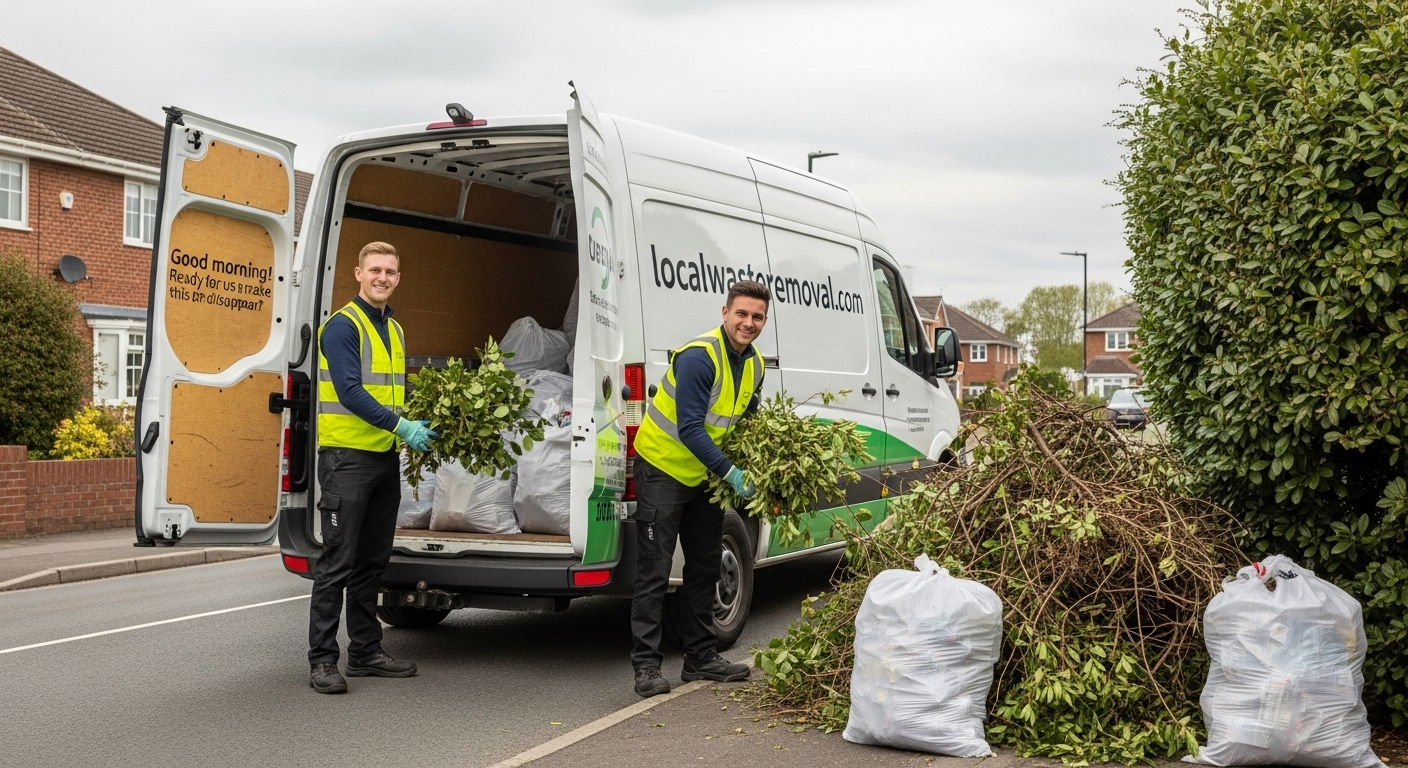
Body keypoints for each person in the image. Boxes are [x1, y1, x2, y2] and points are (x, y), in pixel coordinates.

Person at [629, 279, 771, 698]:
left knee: (705, 566)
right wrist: (731, 472)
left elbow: (747, 423)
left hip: (706, 477)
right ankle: (646, 667)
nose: (748, 323)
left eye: (757, 317)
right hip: (663, 470)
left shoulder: (755, 364)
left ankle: (700, 657)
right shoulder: (699, 358)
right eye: (741, 313)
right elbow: (690, 427)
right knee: (654, 572)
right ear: (724, 312)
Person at [308, 240, 436, 694]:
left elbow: (390, 395)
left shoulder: (395, 330)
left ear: (398, 278)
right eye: (375, 270)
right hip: (346, 461)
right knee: (337, 563)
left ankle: (365, 651)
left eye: (390, 271)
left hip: (383, 459)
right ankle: (323, 660)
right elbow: (349, 391)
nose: (383, 277)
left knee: (372, 562)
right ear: (358, 274)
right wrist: (402, 426)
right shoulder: (342, 327)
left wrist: (409, 423)